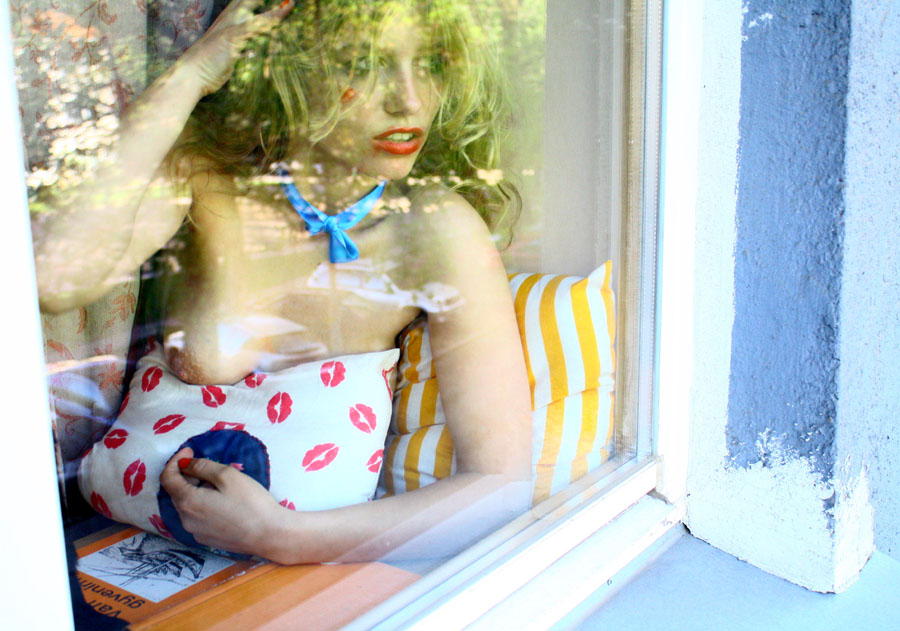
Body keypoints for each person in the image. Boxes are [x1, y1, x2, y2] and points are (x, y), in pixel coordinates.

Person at [33, 0, 531, 564]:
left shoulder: (436, 231)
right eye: (362, 64)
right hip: (105, 559)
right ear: (289, 68)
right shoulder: (207, 180)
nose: (410, 100)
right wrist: (191, 75)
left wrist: (281, 536)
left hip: (302, 591)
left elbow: (501, 488)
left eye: (432, 64)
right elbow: (55, 278)